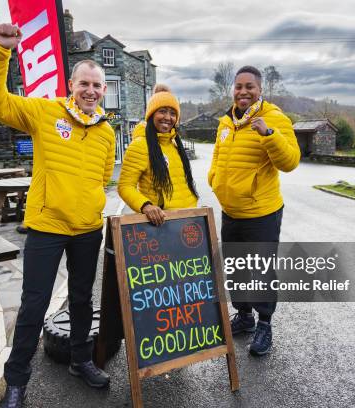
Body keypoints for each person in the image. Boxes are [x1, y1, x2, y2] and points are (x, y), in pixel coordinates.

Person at [0, 23, 115, 408]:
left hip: (87, 228)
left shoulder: (106, 131)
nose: (90, 91)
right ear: (71, 85)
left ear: (103, 91)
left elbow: (104, 177)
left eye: (97, 86)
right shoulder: (44, 112)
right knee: (35, 305)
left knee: (82, 300)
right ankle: (17, 382)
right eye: (84, 83)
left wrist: (90, 204)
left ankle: (81, 360)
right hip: (47, 226)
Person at [207, 65, 300, 356]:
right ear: (232, 89)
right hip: (231, 211)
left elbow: (291, 162)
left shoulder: (274, 118)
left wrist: (269, 134)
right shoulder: (225, 122)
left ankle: (264, 324)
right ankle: (244, 316)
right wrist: (214, 180)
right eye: (239, 86)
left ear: (260, 89)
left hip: (262, 212)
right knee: (235, 267)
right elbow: (217, 157)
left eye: (250, 86)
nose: (243, 91)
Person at [118, 84, 198, 224]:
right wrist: (146, 206)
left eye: (173, 113)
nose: (168, 117)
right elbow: (125, 186)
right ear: (151, 114)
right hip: (161, 224)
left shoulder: (174, 145)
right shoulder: (140, 146)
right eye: (162, 111)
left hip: (187, 219)